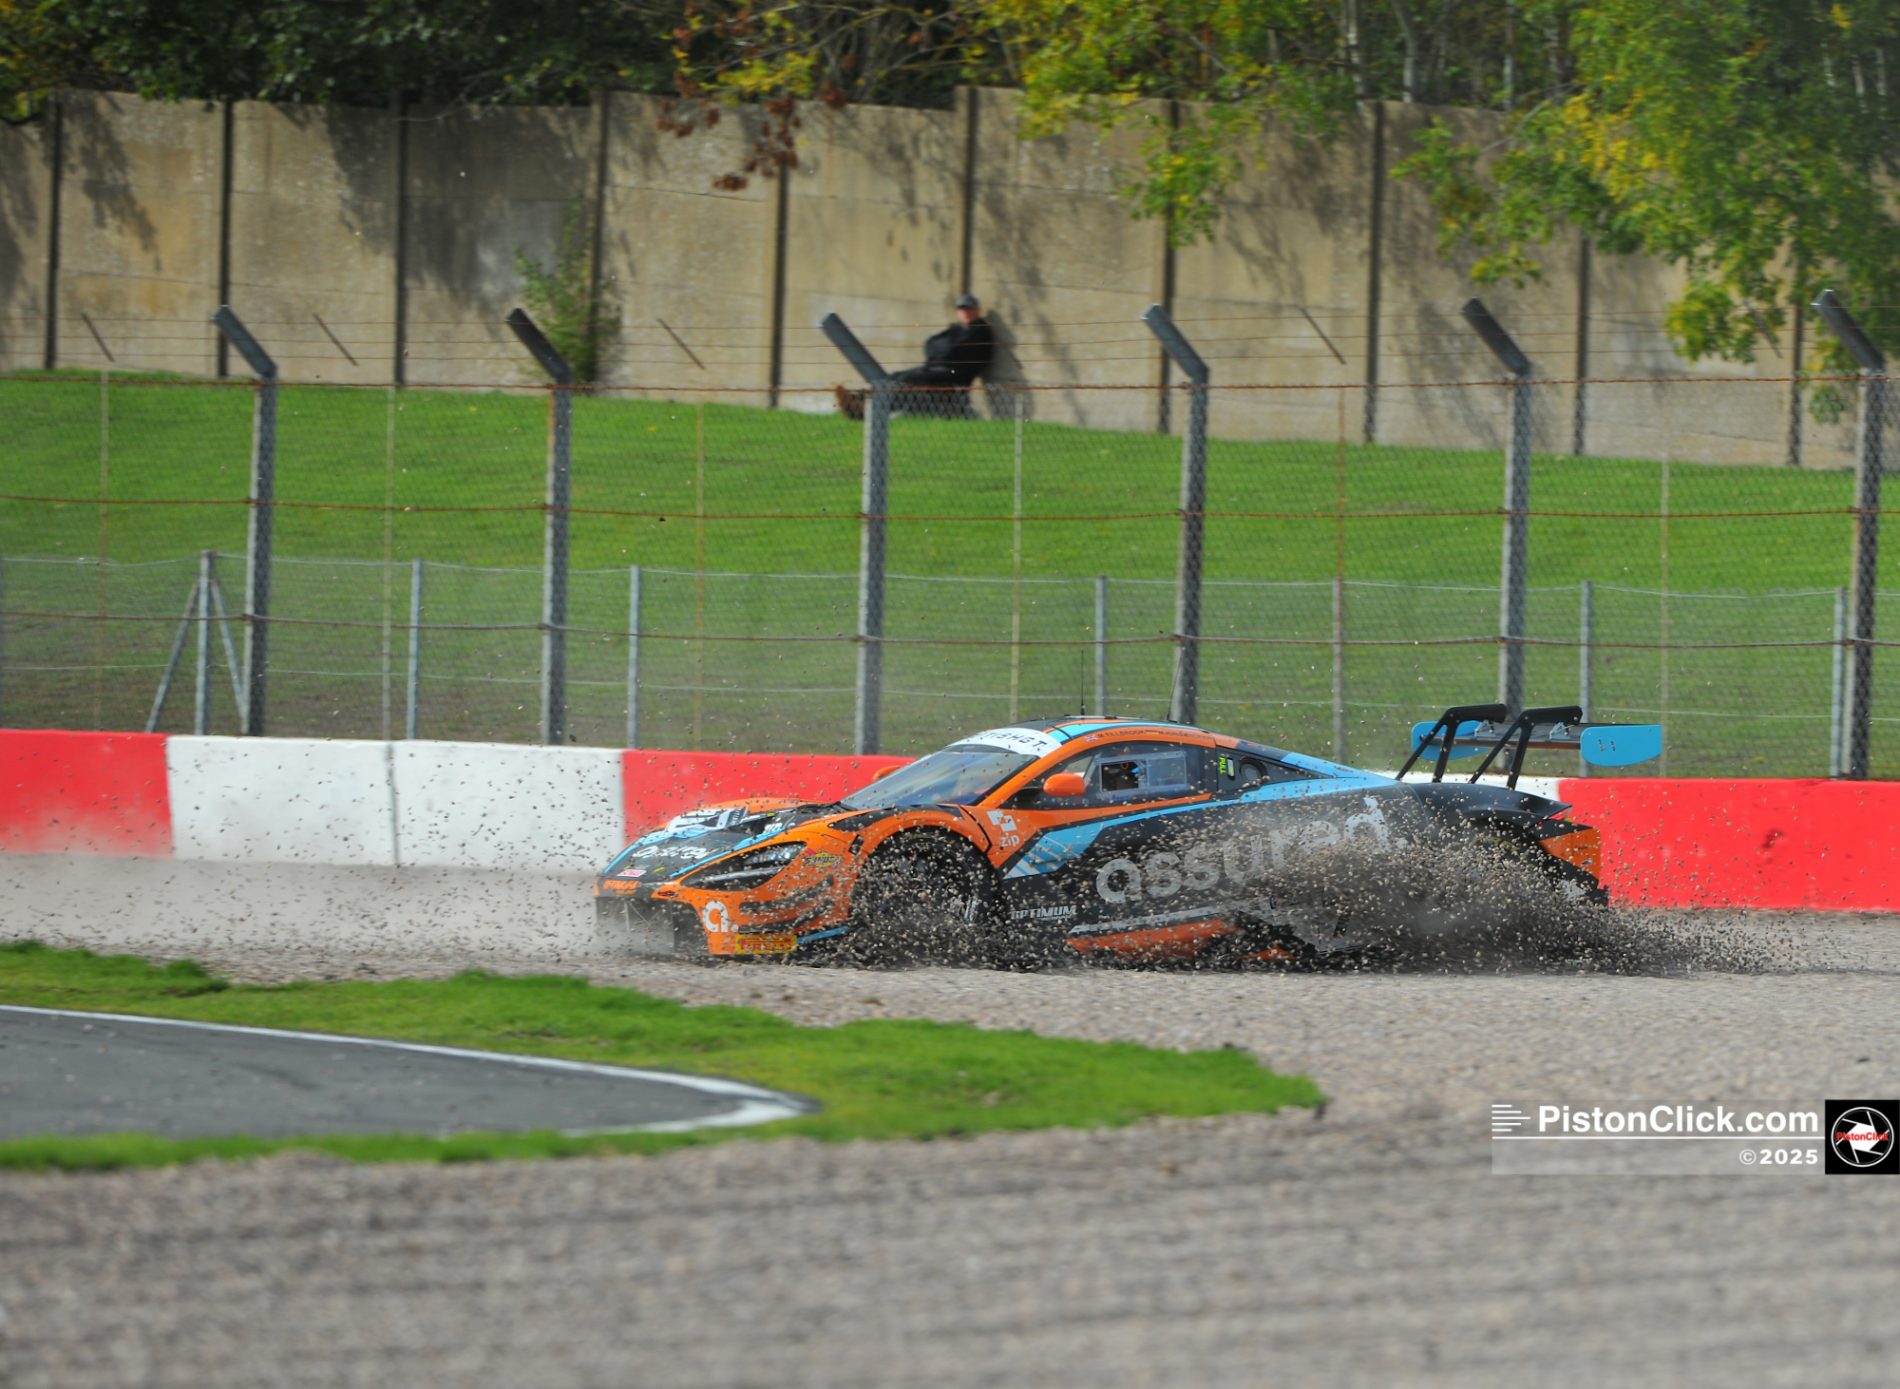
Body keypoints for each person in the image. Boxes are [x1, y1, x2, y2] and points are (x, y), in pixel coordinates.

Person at [835, 293, 996, 420]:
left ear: (977, 310)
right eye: (962, 309)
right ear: (957, 312)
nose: (966, 312)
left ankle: (868, 407)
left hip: (957, 375)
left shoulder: (980, 330)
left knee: (908, 380)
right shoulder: (957, 329)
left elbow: (950, 351)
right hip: (939, 369)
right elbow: (930, 344)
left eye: (969, 308)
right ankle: (860, 400)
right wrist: (945, 351)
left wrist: (944, 350)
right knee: (898, 376)